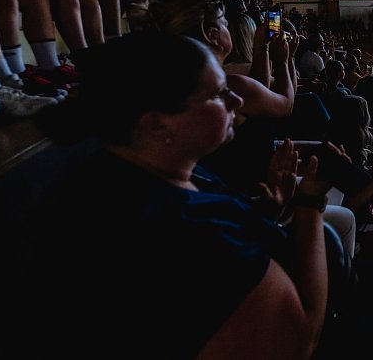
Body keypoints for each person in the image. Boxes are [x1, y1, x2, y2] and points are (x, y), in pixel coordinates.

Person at [25, 33, 331, 358]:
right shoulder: (188, 231)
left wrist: (265, 210)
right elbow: (301, 339)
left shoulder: (113, 172)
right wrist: (311, 202)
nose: (237, 101)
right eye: (218, 94)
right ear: (157, 124)